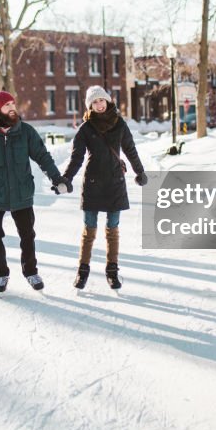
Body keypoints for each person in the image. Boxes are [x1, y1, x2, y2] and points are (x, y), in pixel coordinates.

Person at [0, 90, 67, 293]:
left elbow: (42, 157)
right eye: (7, 105)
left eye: (13, 103)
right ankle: (1, 274)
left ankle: (30, 272)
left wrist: (57, 179)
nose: (12, 108)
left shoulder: (26, 132)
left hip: (21, 194)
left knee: (27, 235)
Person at [60, 86, 146, 289]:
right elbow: (76, 158)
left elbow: (130, 150)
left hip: (115, 182)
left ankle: (112, 271)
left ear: (108, 101)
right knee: (89, 230)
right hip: (92, 183)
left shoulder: (119, 124)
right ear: (90, 106)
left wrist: (140, 172)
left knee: (112, 229)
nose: (99, 105)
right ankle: (82, 272)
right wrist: (67, 178)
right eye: (94, 102)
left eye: (101, 101)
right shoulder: (86, 128)